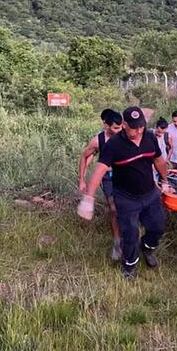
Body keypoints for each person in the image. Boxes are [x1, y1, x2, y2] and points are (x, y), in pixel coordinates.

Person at [78, 106, 171, 279]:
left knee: (157, 226)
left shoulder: (150, 137)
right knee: (130, 234)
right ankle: (129, 266)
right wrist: (88, 198)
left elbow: (158, 160)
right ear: (124, 124)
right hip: (126, 198)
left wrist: (165, 181)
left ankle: (147, 249)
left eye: (141, 126)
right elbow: (99, 170)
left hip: (150, 194)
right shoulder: (114, 145)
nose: (138, 130)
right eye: (134, 127)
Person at [78, 111, 123, 260]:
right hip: (109, 178)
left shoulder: (126, 136)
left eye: (120, 127)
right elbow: (85, 157)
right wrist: (82, 180)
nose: (118, 131)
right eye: (115, 128)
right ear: (106, 125)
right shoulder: (98, 141)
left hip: (126, 176)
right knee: (114, 208)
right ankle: (117, 242)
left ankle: (130, 238)